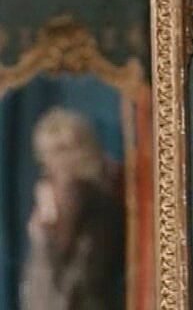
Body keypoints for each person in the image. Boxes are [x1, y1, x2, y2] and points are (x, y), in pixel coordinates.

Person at [20, 107, 124, 310]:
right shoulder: (48, 205)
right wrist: (45, 235)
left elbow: (80, 286)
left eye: (61, 150)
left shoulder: (101, 206)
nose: (53, 161)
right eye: (47, 153)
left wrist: (52, 235)